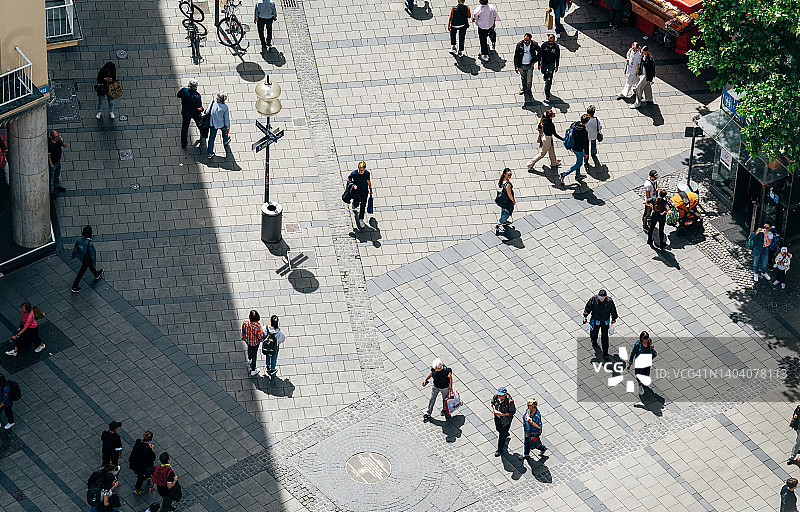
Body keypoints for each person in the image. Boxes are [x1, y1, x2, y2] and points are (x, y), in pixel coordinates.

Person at [582, 289, 618, 359]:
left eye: (602, 298)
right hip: (596, 320)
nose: (601, 299)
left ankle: (605, 353)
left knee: (605, 337)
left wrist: (614, 319)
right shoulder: (594, 299)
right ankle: (594, 341)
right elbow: (588, 307)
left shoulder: (609, 302)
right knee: (594, 333)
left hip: (605, 321)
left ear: (605, 297)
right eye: (600, 298)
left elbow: (613, 310)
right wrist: (585, 316)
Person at [71, 225, 104, 292]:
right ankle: (74, 286)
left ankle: (96, 274)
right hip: (87, 259)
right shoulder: (90, 244)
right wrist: (94, 262)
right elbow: (92, 255)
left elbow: (75, 249)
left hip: (82, 257)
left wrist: (73, 256)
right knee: (82, 271)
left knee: (90, 267)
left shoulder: (79, 239)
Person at [559, 114, 589, 185]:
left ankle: (578, 176)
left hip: (574, 147)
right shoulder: (584, 132)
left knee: (578, 161)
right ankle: (564, 174)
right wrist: (587, 153)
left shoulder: (575, 124)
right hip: (579, 149)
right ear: (587, 122)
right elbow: (586, 144)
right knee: (579, 164)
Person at [627, 331, 657, 395]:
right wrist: (630, 363)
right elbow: (633, 353)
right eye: (644, 339)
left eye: (647, 338)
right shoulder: (638, 344)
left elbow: (651, 350)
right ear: (641, 338)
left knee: (646, 374)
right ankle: (639, 386)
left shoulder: (649, 341)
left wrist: (651, 347)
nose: (646, 340)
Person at [177, 79, 204, 148]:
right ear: (195, 87)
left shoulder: (183, 91)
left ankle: (184, 143)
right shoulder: (197, 96)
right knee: (200, 124)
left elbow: (178, 95)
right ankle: (203, 133)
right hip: (195, 113)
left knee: (185, 128)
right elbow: (199, 108)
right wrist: (202, 109)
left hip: (185, 113)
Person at [128, 431, 156, 495]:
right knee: (140, 478)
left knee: (143, 475)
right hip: (143, 467)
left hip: (136, 463)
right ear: (150, 439)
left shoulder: (138, 442)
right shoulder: (148, 448)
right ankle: (137, 490)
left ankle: (148, 476)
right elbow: (153, 458)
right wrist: (152, 450)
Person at [491, 387, 515, 457]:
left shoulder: (510, 402)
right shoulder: (496, 396)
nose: (499, 396)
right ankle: (506, 434)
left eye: (501, 395)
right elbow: (492, 403)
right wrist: (494, 410)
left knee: (501, 436)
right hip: (497, 418)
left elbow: (512, 412)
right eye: (499, 395)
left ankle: (499, 450)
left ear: (505, 394)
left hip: (505, 421)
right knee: (498, 429)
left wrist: (503, 414)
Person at [348, 161, 373, 229]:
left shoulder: (367, 173)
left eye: (362, 170)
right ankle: (354, 204)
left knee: (363, 205)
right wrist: (353, 185)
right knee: (356, 204)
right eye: (360, 169)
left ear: (365, 169)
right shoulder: (354, 173)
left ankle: (361, 219)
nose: (361, 171)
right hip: (357, 192)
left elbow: (368, 181)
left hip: (364, 192)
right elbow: (348, 179)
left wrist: (370, 189)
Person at [207, 92, 231, 159]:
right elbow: (226, 119)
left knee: (211, 138)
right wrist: (228, 127)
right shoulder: (225, 107)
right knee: (225, 131)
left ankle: (210, 153)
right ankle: (225, 140)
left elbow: (207, 111)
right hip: (221, 124)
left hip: (213, 124)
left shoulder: (213, 103)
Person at [242, 310, 264, 377]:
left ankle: (249, 359)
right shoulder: (258, 326)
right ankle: (253, 370)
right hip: (255, 343)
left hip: (248, 340)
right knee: (254, 354)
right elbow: (260, 336)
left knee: (249, 349)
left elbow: (243, 330)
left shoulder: (245, 322)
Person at [538, 34, 560, 101]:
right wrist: (539, 64)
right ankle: (545, 74)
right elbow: (540, 55)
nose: (550, 43)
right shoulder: (544, 45)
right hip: (544, 63)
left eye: (552, 41)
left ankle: (547, 93)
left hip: (551, 64)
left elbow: (557, 57)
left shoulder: (556, 47)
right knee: (543, 72)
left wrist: (556, 66)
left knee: (549, 80)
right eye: (549, 41)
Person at [495, 168, 515, 234]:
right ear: (505, 174)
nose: (510, 176)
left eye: (511, 174)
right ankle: (498, 224)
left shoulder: (503, 180)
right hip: (507, 201)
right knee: (507, 213)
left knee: (503, 211)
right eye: (509, 175)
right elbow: (509, 194)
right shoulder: (508, 185)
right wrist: (513, 201)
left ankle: (504, 221)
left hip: (503, 199)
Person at [48, 130, 67, 197]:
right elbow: (48, 155)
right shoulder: (49, 143)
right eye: (56, 137)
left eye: (58, 136)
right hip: (53, 163)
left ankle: (57, 186)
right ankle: (51, 192)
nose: (57, 138)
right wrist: (51, 165)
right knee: (51, 179)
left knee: (57, 176)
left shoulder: (58, 140)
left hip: (58, 162)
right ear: (52, 136)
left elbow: (65, 145)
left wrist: (62, 141)